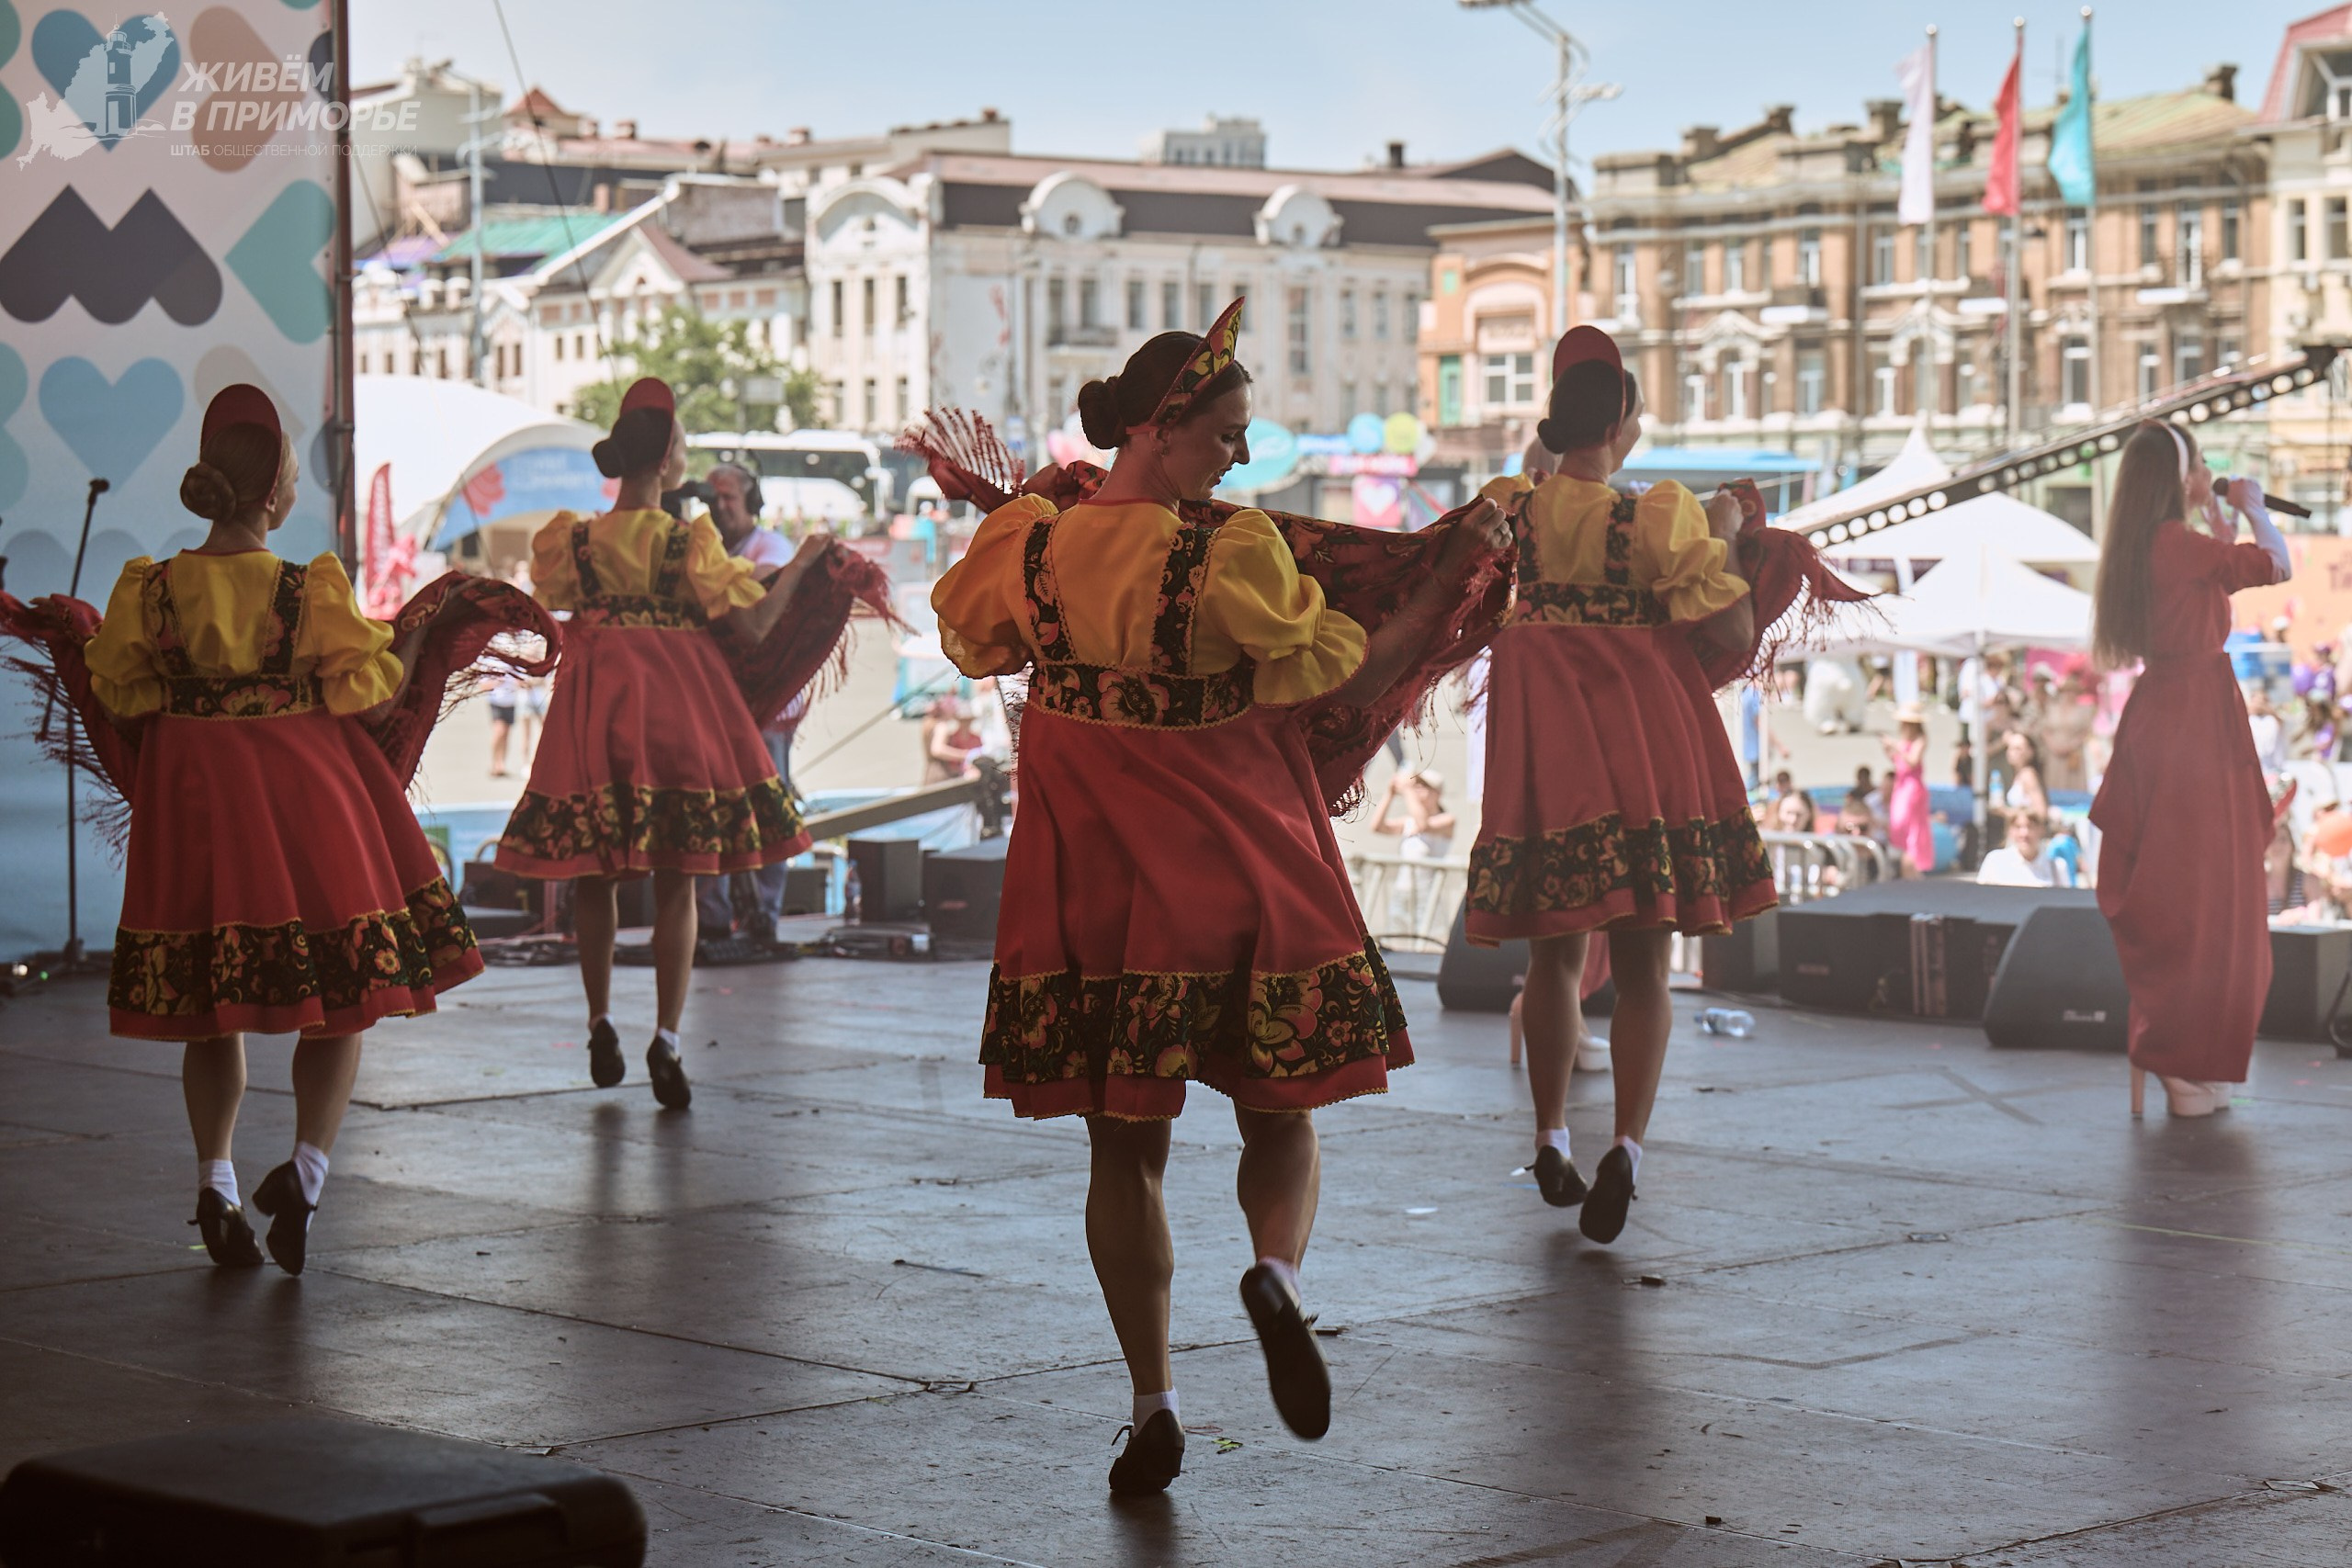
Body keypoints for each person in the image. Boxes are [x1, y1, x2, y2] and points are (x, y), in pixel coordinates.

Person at [929, 303, 1508, 1495]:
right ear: (1157, 428)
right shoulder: (1231, 553)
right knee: (1278, 1111)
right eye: (1226, 433)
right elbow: (1334, 667)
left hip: (1092, 880)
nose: (1240, 456)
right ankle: (1275, 1274)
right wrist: (1443, 579)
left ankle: (1152, 1402)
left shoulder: (1029, 545)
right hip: (1233, 861)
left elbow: (972, 638)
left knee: (1121, 1146)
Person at [80, 386, 481, 1275]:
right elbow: (366, 688)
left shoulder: (152, 589)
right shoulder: (308, 589)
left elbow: (121, 694)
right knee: (341, 995)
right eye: (294, 473)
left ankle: (216, 1184)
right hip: (307, 797)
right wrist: (416, 639)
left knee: (207, 1006)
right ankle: (304, 1172)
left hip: (197, 802)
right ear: (274, 495)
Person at [1466, 325, 1773, 1246]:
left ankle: (1550, 1135)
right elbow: (1732, 631)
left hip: (1547, 764)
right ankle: (1627, 1150)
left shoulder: (1510, 511)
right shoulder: (1654, 521)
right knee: (1644, 970)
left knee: (1553, 960)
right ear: (1620, 427)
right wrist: (1725, 537)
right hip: (1643, 754)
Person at [498, 379, 829, 1110]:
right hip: (677, 708)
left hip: (597, 707)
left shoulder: (575, 540)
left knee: (595, 874)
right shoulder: (690, 542)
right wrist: (804, 562)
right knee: (679, 874)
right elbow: (754, 627)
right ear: (668, 459)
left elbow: (548, 600)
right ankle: (668, 1037)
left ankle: (599, 1020)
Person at [2089, 421, 2290, 1120]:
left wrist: (2216, 513)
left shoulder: (2152, 544)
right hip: (2195, 726)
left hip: (2169, 718)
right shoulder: (2175, 544)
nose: (2208, 471)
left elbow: (2219, 573)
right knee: (2208, 900)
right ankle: (2181, 1057)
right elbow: (2274, 564)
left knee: (2186, 896)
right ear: (2180, 478)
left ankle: (2179, 1049)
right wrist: (2255, 507)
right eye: (2200, 463)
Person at [695, 463, 801, 944]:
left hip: (766, 708)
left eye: (729, 498)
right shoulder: (707, 551)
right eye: (712, 499)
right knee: (707, 810)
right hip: (715, 705)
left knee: (767, 810)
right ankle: (713, 917)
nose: (720, 508)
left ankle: (763, 916)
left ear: (752, 502)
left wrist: (703, 567)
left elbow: (760, 586)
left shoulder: (769, 545)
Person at [1371, 766, 1456, 934]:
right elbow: (1377, 827)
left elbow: (1424, 825)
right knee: (1394, 938)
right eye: (1416, 786)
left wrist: (1407, 790)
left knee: (1428, 940)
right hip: (1403, 891)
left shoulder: (1447, 820)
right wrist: (1390, 794)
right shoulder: (1409, 821)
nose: (1417, 790)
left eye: (1423, 787)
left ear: (1437, 793)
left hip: (1428, 894)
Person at [1883, 703, 1935, 874]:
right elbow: (1898, 763)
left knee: (1912, 827)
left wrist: (1896, 746)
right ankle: (1904, 861)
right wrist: (1888, 749)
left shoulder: (1920, 739)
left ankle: (1914, 863)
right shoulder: (1904, 740)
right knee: (1899, 825)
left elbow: (1912, 761)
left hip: (1912, 789)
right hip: (1901, 787)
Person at [1978, 809, 2061, 886]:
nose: (2024, 833)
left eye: (2030, 827)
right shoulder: (1995, 861)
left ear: (2041, 830)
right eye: (2018, 827)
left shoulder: (2056, 866)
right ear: (2009, 831)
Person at [2000, 730, 2049, 823]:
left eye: (2017, 749)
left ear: (2030, 752)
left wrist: (2007, 812)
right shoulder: (2018, 774)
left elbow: (2041, 812)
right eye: (2009, 748)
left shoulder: (2028, 775)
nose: (2011, 752)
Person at [2246, 682, 2287, 779]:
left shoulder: (2272, 720)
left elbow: (2280, 722)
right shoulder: (2250, 719)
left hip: (2272, 771)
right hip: (2254, 770)